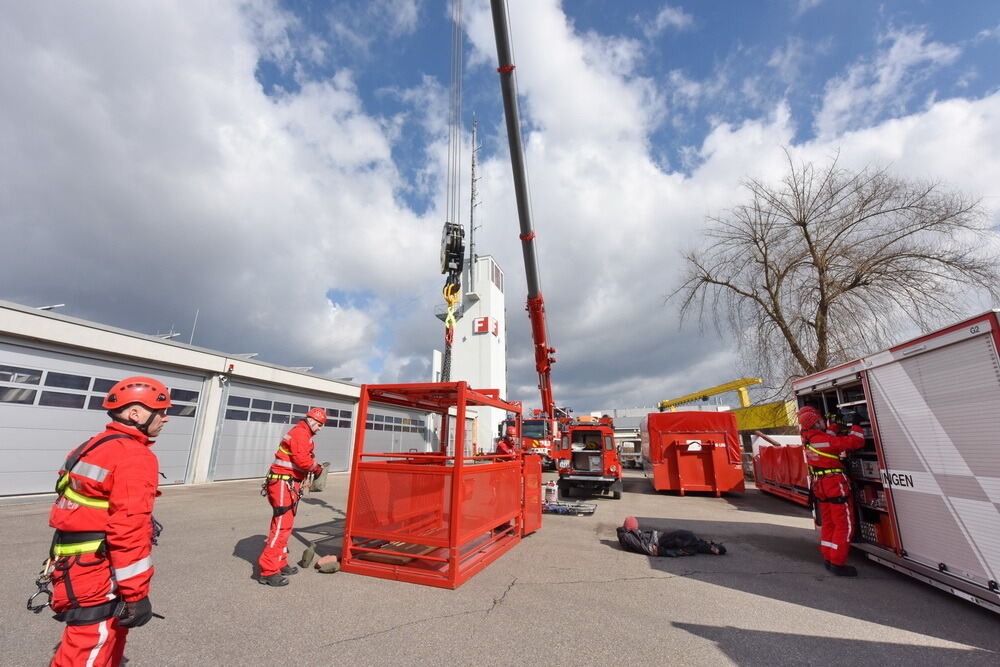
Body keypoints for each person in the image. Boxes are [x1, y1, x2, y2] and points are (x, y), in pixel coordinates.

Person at [47, 376, 172, 667]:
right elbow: (129, 529)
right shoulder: (134, 456)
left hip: (72, 562)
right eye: (161, 410)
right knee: (89, 649)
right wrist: (137, 594)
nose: (165, 419)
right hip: (98, 569)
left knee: (103, 643)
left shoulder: (91, 446)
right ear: (136, 414)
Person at [257, 407, 327, 586]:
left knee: (285, 526)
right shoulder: (300, 434)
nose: (320, 428)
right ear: (311, 420)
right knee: (281, 527)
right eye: (319, 424)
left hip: (287, 483)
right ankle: (268, 571)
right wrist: (317, 468)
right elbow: (302, 460)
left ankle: (279, 562)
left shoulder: (303, 434)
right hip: (282, 483)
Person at [797, 405, 865, 576]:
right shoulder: (822, 440)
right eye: (821, 420)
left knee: (829, 523)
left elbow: (828, 439)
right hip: (835, 485)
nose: (823, 422)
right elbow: (855, 442)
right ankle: (838, 563)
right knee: (844, 525)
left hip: (821, 487)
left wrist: (835, 425)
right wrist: (856, 425)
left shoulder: (809, 438)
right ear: (815, 423)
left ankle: (829, 557)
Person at [616, 516, 727, 557]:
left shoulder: (628, 534)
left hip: (657, 538)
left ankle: (712, 548)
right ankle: (712, 548)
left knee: (689, 541)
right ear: (630, 526)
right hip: (656, 541)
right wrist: (656, 551)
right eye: (635, 526)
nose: (637, 528)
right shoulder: (627, 536)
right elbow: (640, 546)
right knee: (685, 538)